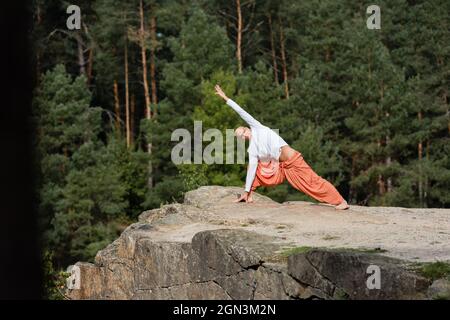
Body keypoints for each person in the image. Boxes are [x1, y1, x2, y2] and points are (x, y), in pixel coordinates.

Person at [214, 84, 350, 210]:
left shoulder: (257, 127)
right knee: (254, 167)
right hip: (282, 167)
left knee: (313, 182)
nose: (242, 138)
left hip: (293, 160)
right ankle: (248, 195)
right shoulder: (253, 149)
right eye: (239, 137)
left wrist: (225, 98)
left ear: (246, 129)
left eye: (241, 134)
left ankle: (340, 201)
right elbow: (252, 170)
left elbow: (240, 111)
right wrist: (245, 190)